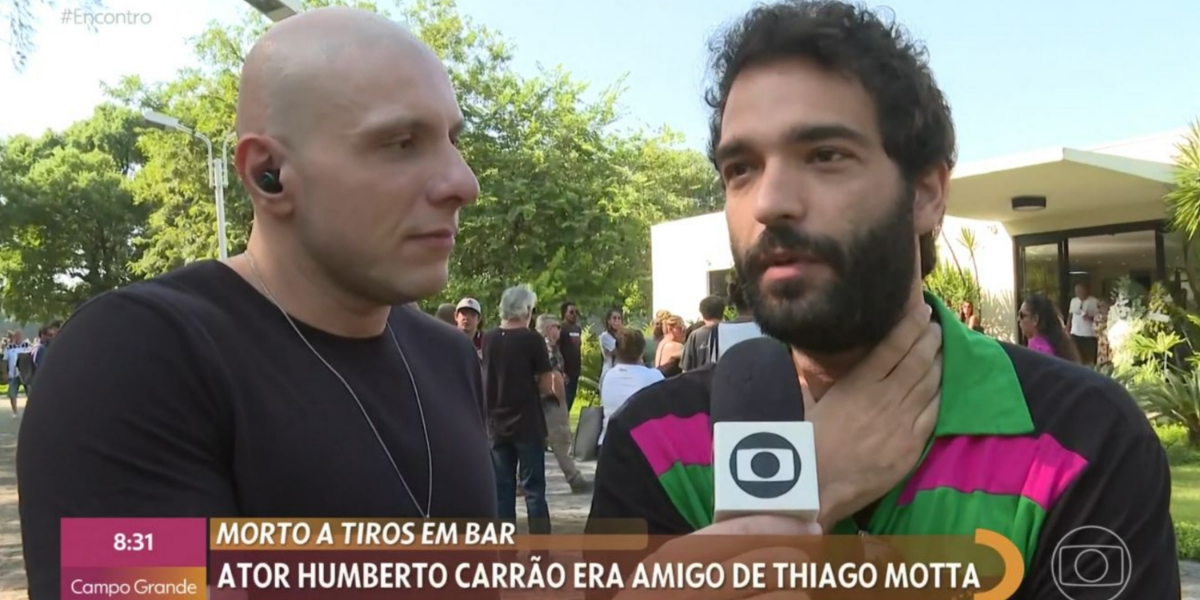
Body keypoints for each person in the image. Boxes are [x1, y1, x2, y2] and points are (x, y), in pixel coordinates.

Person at [586, 2, 1177, 598]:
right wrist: (800, 498)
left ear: (925, 193)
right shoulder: (657, 441)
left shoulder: (1084, 438)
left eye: (825, 156)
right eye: (741, 167)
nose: (769, 201)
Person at [17, 8, 496, 599]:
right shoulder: (134, 359)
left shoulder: (449, 358)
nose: (463, 183)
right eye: (401, 143)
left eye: (452, 141)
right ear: (269, 174)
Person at [482, 285, 555, 535]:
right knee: (534, 491)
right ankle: (540, 553)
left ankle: (505, 550)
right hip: (527, 422)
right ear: (525, 309)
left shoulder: (489, 338)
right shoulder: (532, 339)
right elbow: (546, 384)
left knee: (503, 491)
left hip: (496, 423)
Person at [535, 314, 591, 493]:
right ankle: (574, 478)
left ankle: (522, 481)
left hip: (541, 401)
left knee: (537, 441)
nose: (559, 330)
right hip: (551, 401)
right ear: (547, 329)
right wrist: (559, 396)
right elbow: (550, 374)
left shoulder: (546, 347)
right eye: (556, 327)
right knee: (561, 439)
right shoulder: (546, 347)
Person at [598, 328, 664, 452]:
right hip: (643, 445)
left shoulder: (608, 376)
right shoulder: (655, 376)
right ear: (642, 351)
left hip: (610, 443)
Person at [1019, 294, 1081, 363]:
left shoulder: (1036, 349)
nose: (1018, 319)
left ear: (1035, 319)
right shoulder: (1061, 344)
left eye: (1022, 315)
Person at [556, 301, 584, 412]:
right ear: (564, 313)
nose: (574, 315)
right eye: (571, 312)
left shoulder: (577, 329)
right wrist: (562, 371)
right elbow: (557, 350)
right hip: (565, 371)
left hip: (575, 370)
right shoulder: (561, 328)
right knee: (565, 401)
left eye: (576, 312)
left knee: (571, 398)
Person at [1068, 283, 1100, 365]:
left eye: (1079, 291)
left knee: (1089, 356)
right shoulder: (1073, 301)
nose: (1078, 293)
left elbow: (1099, 317)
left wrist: (1089, 317)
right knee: (1076, 354)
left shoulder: (1094, 301)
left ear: (1085, 291)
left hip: (1089, 334)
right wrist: (1067, 327)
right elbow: (1070, 315)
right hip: (1075, 332)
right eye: (1076, 291)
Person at [597, 308, 622, 388]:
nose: (617, 321)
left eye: (619, 318)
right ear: (608, 321)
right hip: (609, 370)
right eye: (614, 318)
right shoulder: (605, 336)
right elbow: (618, 351)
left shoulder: (622, 335)